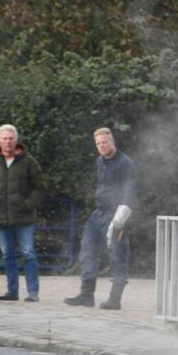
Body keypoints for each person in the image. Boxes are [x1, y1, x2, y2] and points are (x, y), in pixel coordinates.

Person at [64, 128, 137, 310]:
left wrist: (121, 222)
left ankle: (115, 300)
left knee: (118, 257)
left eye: (104, 142)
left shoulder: (126, 163)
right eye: (98, 143)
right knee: (87, 252)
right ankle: (86, 296)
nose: (101, 146)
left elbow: (130, 193)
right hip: (98, 214)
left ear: (112, 141)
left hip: (117, 214)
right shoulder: (100, 161)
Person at [0, 125, 44, 302]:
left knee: (28, 253)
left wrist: (27, 204)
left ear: (16, 140)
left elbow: (39, 188)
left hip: (23, 217)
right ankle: (12, 292)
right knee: (7, 255)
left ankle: (33, 292)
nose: (8, 141)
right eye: (5, 138)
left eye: (11, 138)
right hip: (1, 217)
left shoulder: (29, 161)